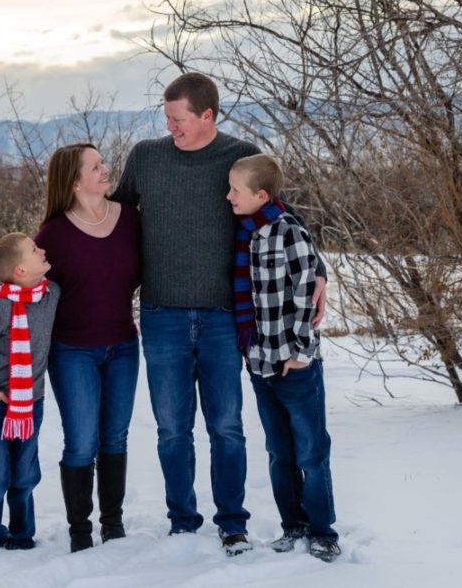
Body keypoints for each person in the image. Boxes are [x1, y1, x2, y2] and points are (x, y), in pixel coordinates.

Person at [108, 72, 328, 556]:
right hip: (162, 313)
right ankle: (183, 522)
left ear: (207, 116)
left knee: (226, 426)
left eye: (178, 118)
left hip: (225, 315)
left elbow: (279, 215)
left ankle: (233, 523)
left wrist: (320, 271)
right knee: (171, 429)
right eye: (166, 118)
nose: (171, 127)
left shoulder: (238, 155)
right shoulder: (146, 157)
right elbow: (112, 223)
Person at [0, 144, 141, 553]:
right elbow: (20, 278)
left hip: (122, 346)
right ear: (74, 181)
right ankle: (81, 531)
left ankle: (113, 525)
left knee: (115, 439)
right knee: (82, 440)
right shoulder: (54, 234)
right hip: (73, 352)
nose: (106, 170)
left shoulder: (131, 219)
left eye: (103, 164)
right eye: (96, 166)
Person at [226, 154, 341, 562]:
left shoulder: (289, 232)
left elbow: (305, 297)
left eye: (235, 191)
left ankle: (324, 531)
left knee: (311, 451)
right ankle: (293, 525)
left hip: (295, 364)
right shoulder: (244, 233)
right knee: (279, 453)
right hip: (259, 363)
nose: (228, 196)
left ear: (261, 194)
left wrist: (302, 353)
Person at [0, 232, 60, 551]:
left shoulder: (51, 294)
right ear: (19, 270)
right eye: (34, 250)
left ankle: (22, 535)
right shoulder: (0, 307)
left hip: (32, 405)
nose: (42, 249)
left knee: (25, 475)